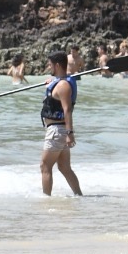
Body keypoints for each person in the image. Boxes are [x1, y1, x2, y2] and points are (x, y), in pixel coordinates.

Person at [39, 51, 82, 197]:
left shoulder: (63, 85)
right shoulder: (60, 82)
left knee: (45, 166)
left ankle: (46, 199)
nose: (48, 66)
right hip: (59, 130)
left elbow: (67, 109)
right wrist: (50, 85)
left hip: (58, 131)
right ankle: (79, 196)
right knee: (64, 167)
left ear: (57, 65)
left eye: (50, 64)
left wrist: (70, 133)